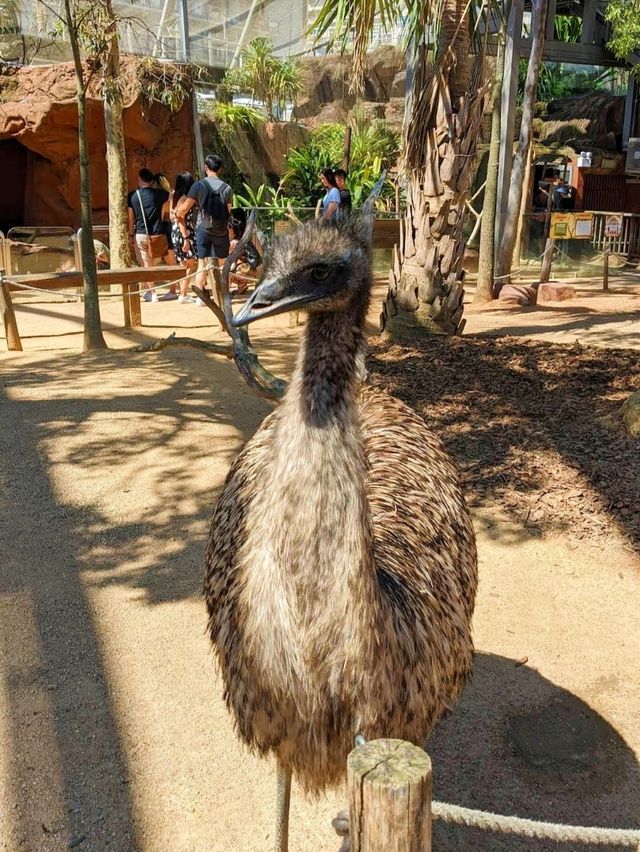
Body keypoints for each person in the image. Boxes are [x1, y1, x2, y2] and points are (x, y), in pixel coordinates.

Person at [175, 153, 233, 306]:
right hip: (221, 230)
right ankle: (224, 295)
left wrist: (177, 213)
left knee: (202, 262)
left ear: (205, 167)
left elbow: (185, 208)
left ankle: (201, 297)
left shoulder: (199, 186)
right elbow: (228, 212)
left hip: (203, 229)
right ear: (220, 169)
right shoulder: (227, 188)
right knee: (223, 263)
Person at [127, 168, 170, 302]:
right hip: (157, 233)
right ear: (151, 181)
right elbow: (171, 194)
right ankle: (149, 290)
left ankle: (152, 293)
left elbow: (131, 218)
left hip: (140, 233)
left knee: (145, 263)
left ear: (140, 179)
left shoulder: (132, 196)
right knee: (153, 262)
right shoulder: (161, 194)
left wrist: (130, 234)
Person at [170, 171, 198, 303]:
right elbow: (180, 218)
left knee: (183, 263)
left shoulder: (174, 197)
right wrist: (186, 238)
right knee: (190, 264)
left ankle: (183, 292)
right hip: (184, 231)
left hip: (175, 231)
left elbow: (172, 216)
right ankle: (183, 293)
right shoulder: (185, 199)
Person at [228, 216, 262, 295]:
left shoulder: (234, 243)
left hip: (250, 270)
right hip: (254, 269)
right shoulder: (242, 240)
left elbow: (227, 261)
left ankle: (238, 285)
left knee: (225, 270)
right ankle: (241, 285)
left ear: (232, 230)